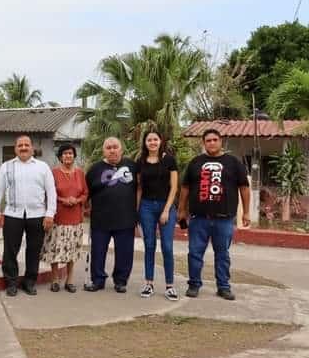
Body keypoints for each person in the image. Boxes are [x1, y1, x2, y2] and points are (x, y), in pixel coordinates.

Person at [178, 128, 250, 301]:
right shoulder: (195, 162)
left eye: (214, 140)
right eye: (208, 140)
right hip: (198, 219)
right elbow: (185, 188)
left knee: (222, 254)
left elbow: (244, 188)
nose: (211, 143)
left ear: (221, 141)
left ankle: (223, 287)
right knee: (194, 253)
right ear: (204, 143)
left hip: (224, 219)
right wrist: (181, 210)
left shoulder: (233, 162)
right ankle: (194, 284)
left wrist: (246, 212)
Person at [0, 135, 56, 296]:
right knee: (10, 250)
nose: (24, 148)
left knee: (33, 250)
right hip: (13, 214)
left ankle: (29, 282)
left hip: (37, 215)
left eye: (27, 145)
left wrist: (50, 214)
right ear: (15, 149)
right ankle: (11, 282)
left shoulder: (42, 167)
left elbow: (51, 192)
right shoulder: (6, 167)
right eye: (20, 145)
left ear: (32, 148)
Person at [84, 137, 138, 293]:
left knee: (125, 253)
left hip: (125, 219)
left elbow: (140, 188)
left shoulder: (132, 166)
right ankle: (98, 280)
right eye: (109, 147)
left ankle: (120, 281)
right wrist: (85, 208)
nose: (112, 150)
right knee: (98, 252)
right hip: (101, 219)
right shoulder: (94, 169)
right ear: (104, 151)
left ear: (121, 149)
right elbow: (86, 192)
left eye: (115, 147)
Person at [136, 130, 179, 301]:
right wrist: (136, 210)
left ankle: (170, 286)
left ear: (161, 141)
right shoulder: (140, 162)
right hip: (146, 206)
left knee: (167, 247)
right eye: (149, 140)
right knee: (149, 245)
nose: (152, 142)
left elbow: (174, 187)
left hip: (165, 205)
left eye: (155, 139)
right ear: (145, 143)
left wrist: (167, 209)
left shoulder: (169, 160)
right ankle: (149, 283)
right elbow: (139, 188)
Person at [41, 143, 87, 293]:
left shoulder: (80, 173)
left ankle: (70, 280)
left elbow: (85, 193)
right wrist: (63, 200)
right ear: (60, 156)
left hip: (75, 219)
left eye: (71, 153)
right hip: (58, 217)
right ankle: (55, 280)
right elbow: (49, 193)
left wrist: (77, 200)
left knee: (72, 251)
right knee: (55, 249)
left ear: (74, 156)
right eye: (65, 153)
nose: (68, 156)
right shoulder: (53, 173)